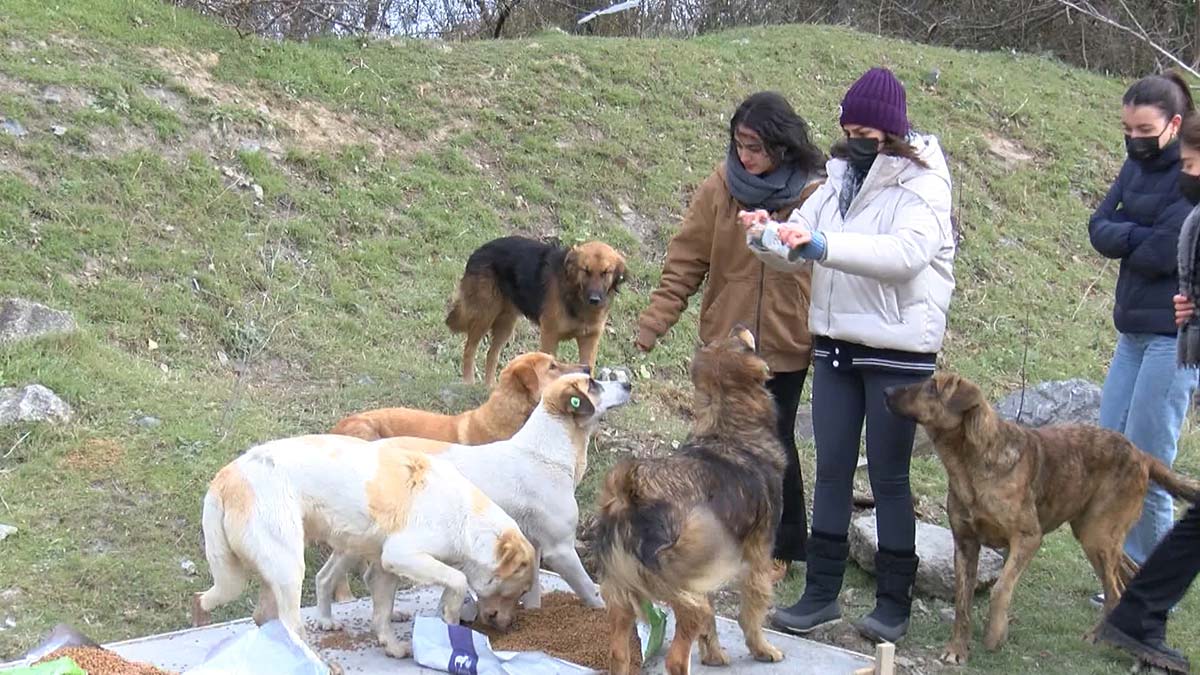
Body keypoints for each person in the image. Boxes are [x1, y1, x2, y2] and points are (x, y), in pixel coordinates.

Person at [747, 67, 955, 644]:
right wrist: (767, 234)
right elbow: (799, 243)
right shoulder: (836, 175)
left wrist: (823, 245)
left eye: (867, 128)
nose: (855, 137)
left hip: (898, 350)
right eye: (848, 126)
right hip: (837, 342)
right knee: (832, 469)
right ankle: (820, 595)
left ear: (891, 131)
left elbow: (904, 255)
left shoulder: (924, 185)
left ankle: (894, 602)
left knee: (889, 477)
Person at [635, 91, 826, 579]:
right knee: (714, 441)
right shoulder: (719, 187)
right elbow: (685, 260)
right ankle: (709, 536)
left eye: (756, 146)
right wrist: (656, 321)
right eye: (740, 143)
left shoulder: (813, 194)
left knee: (773, 442)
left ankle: (782, 545)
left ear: (782, 147)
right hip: (723, 346)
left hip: (785, 345)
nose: (746, 155)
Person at [1094, 111, 1200, 675]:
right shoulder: (1171, 195)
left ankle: (1143, 602)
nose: (1185, 174)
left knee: (1153, 469)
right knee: (1123, 457)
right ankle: (1136, 601)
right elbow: (1100, 228)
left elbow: (1163, 256)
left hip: (1169, 343)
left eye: (1191, 162)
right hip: (1142, 329)